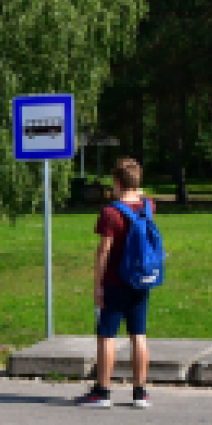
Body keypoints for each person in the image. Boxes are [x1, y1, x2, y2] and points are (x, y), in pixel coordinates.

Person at [78, 157, 154, 409]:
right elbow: (141, 196)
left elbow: (103, 252)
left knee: (107, 336)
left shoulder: (110, 213)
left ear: (117, 182)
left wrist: (98, 285)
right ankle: (140, 392)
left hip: (114, 282)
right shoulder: (148, 206)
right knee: (139, 335)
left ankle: (102, 391)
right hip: (141, 280)